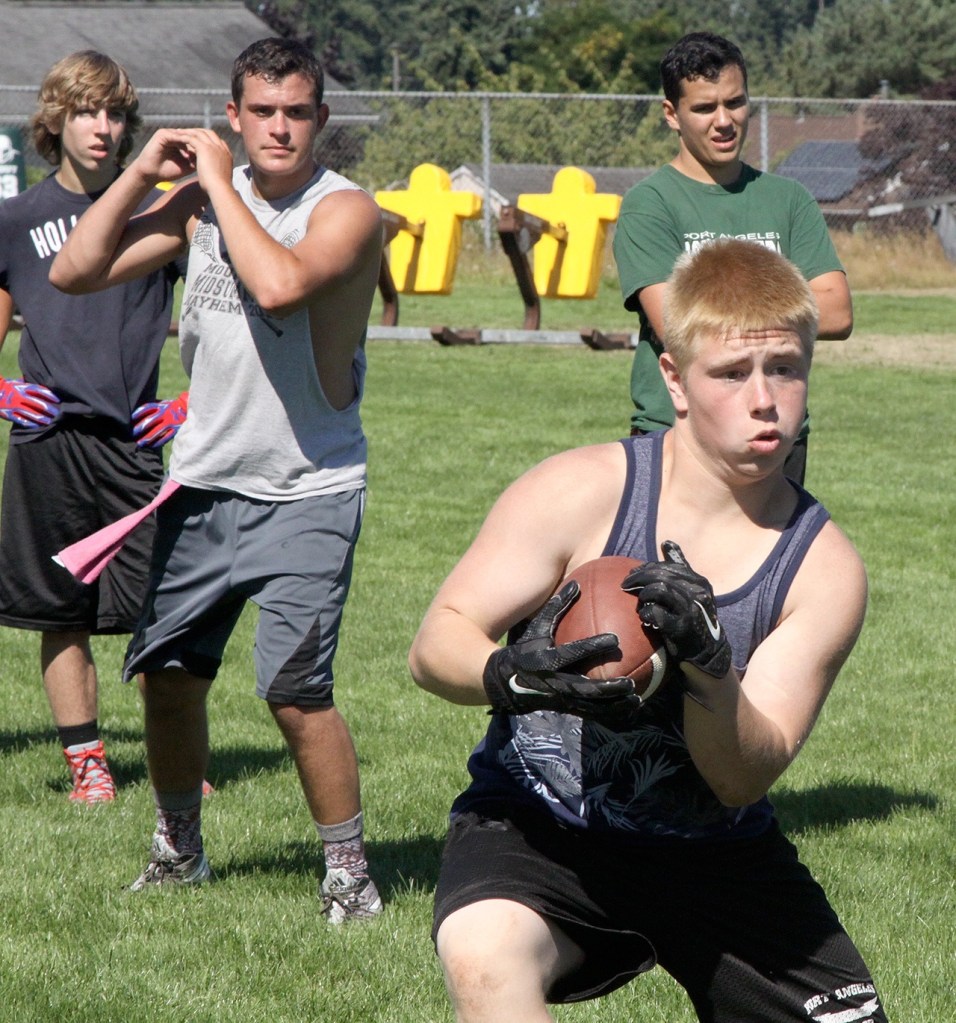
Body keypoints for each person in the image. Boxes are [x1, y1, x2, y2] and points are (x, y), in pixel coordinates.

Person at [408, 239, 887, 1021]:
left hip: (716, 849)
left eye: (785, 368)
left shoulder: (823, 568)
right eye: (730, 373)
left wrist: (710, 665)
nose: (764, 399)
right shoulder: (580, 490)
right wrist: (514, 674)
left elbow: (741, 779)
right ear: (674, 378)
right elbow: (436, 644)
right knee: (483, 953)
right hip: (539, 824)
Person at [50, 37, 384, 922]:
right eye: (261, 112)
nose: (280, 128)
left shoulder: (346, 210)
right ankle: (179, 851)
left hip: (308, 489)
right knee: (167, 678)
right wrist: (141, 173)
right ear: (233, 115)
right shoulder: (203, 201)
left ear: (321, 118)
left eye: (297, 112)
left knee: (296, 692)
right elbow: (74, 271)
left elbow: (279, 287)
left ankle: (349, 875)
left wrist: (216, 187)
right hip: (201, 486)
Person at [0, 51, 182, 803]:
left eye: (113, 113)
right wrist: (2, 394)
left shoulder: (163, 212)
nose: (102, 127)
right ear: (55, 119)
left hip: (136, 445)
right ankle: (88, 765)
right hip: (50, 445)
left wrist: (191, 404)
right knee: (61, 611)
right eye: (84, 112)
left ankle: (177, 757)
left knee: (164, 611)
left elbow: (227, 320)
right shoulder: (15, 221)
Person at [613, 31, 853, 484]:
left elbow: (838, 310)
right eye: (705, 108)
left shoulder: (789, 199)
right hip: (679, 435)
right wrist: (785, 311)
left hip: (775, 435)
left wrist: (718, 312)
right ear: (672, 114)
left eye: (735, 103)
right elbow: (677, 325)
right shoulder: (651, 204)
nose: (724, 121)